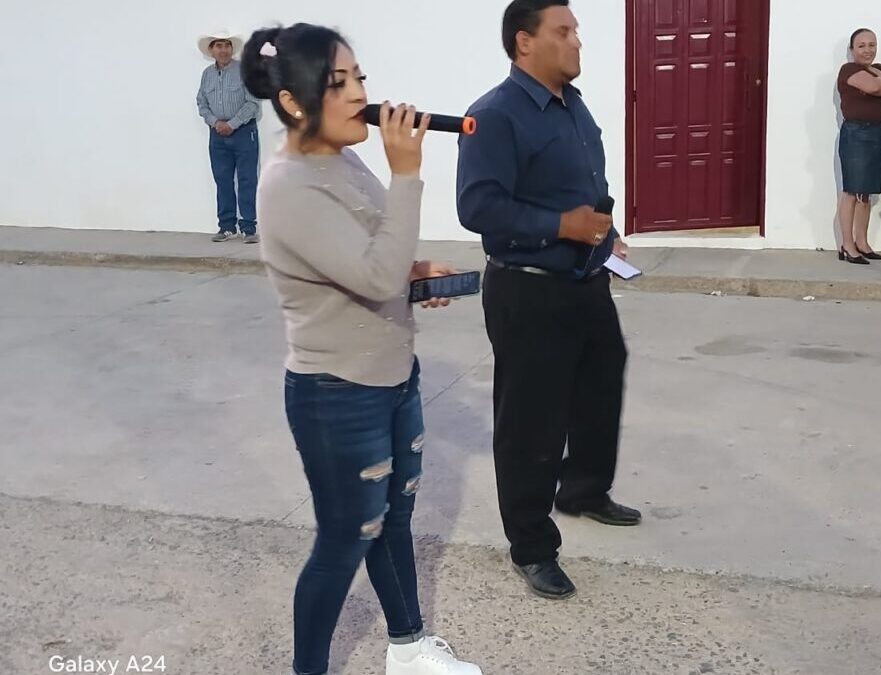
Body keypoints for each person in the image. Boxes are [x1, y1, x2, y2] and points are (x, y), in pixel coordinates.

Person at [241, 23, 482, 675]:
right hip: (337, 393)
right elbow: (375, 276)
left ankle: (407, 647)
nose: (359, 95)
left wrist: (417, 270)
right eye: (338, 83)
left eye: (359, 78)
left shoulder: (341, 160)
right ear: (293, 102)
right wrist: (407, 174)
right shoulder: (288, 183)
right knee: (345, 541)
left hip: (393, 376)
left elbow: (373, 258)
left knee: (393, 520)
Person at [456, 0, 640, 601]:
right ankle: (532, 546)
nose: (577, 41)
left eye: (576, 30)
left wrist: (605, 231)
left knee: (600, 384)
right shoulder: (494, 115)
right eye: (563, 31)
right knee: (531, 422)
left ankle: (583, 490)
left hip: (587, 280)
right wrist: (564, 226)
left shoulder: (573, 105)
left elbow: (585, 184)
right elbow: (477, 207)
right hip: (528, 287)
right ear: (524, 42)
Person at [836, 29, 881, 264]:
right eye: (862, 46)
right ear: (852, 49)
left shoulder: (880, 68)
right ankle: (847, 245)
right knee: (852, 191)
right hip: (857, 133)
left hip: (879, 133)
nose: (868, 50)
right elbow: (874, 89)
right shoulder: (848, 70)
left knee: (865, 192)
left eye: (872, 45)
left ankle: (862, 242)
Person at [197, 29, 263, 244]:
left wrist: (232, 124)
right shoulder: (207, 74)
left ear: (232, 49)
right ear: (211, 50)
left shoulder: (245, 70)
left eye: (226, 45)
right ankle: (226, 227)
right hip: (217, 134)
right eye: (218, 45)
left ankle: (248, 228)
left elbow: (253, 102)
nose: (223, 50)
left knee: (247, 179)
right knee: (223, 180)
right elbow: (201, 103)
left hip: (244, 132)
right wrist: (216, 123)